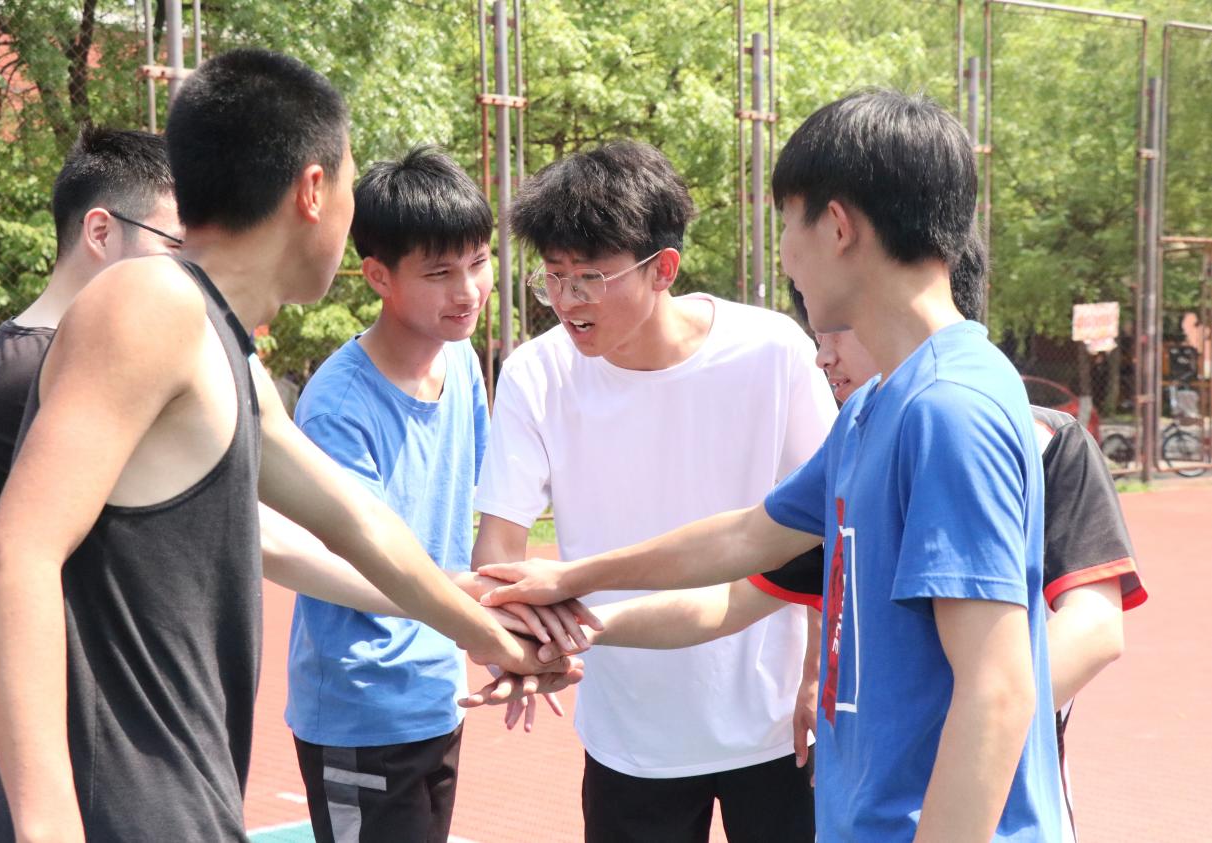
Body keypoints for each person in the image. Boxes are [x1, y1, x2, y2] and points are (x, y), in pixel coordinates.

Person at [0, 49, 570, 842]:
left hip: (187, 790)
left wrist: (495, 634)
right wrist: (48, 826)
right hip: (115, 805)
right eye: (351, 182)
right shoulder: (148, 300)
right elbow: (12, 561)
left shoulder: (220, 341)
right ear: (314, 190)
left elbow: (355, 521)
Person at [479, 89, 1063, 841]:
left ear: (838, 227)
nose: (783, 250)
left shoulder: (950, 409)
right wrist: (570, 579)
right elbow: (748, 536)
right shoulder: (876, 406)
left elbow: (997, 688)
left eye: (787, 221)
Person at [471, 139, 837, 842]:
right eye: (553, 278)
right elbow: (499, 551)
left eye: (589, 278)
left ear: (662, 268)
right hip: (628, 734)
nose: (567, 301)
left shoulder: (773, 351)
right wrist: (512, 641)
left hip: (775, 726)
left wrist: (818, 673)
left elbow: (824, 531)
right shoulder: (535, 373)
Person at [282, 146, 587, 842]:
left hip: (437, 693)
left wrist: (497, 642)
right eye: (440, 273)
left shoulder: (460, 364)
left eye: (478, 262)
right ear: (378, 276)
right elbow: (354, 561)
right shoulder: (338, 406)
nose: (469, 290)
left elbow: (477, 526)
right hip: (361, 711)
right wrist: (489, 628)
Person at [801, 238, 1147, 840]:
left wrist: (962, 728)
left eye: (840, 329)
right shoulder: (853, 441)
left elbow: (1095, 628)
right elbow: (769, 566)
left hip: (996, 795)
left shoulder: (1041, 439)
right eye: (818, 334)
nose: (823, 356)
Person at [0, 128, 182, 842]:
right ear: (101, 232)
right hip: (0, 754)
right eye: (176, 246)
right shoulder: (52, 376)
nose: (188, 273)